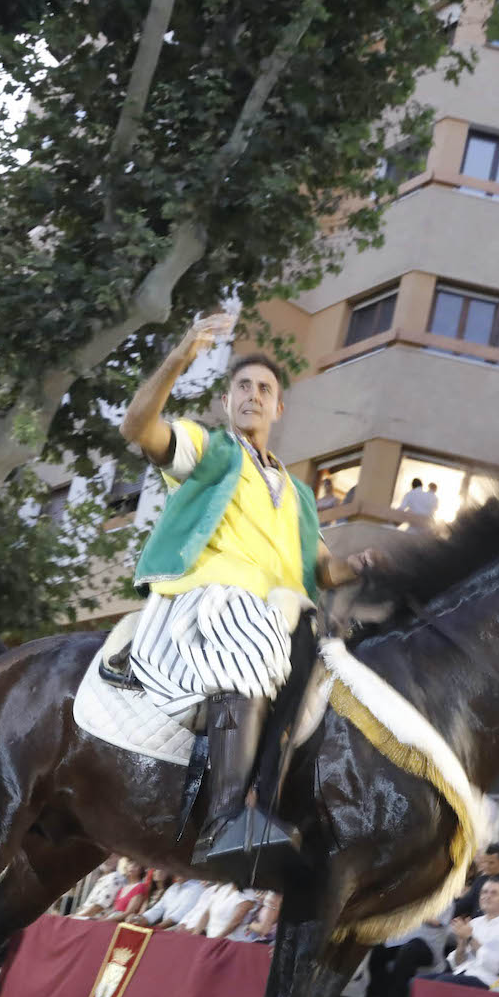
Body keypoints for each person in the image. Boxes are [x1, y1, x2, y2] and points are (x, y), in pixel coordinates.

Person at [117, 311, 367, 881]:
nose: (253, 396)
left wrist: (364, 565)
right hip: (209, 596)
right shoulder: (211, 451)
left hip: (281, 608)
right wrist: (182, 354)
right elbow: (138, 427)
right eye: (242, 388)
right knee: (252, 636)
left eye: (265, 389)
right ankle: (227, 821)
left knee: (338, 666)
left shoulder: (301, 493)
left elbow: (323, 569)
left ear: (279, 408)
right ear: (228, 403)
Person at [416, 872, 499, 996]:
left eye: (493, 893)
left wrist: (470, 938)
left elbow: (494, 966)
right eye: (484, 892)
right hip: (465, 971)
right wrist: (461, 944)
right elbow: (457, 963)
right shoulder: (475, 922)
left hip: (488, 980)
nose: (486, 896)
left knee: (442, 983)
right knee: (418, 982)